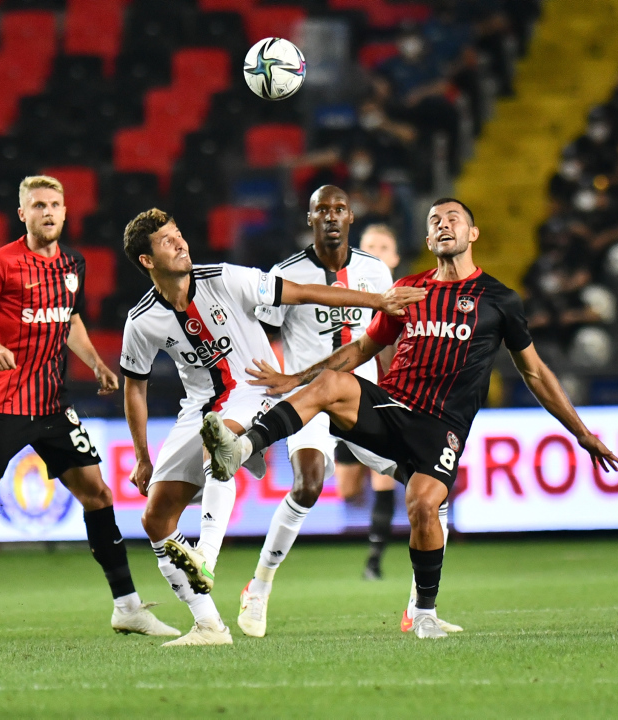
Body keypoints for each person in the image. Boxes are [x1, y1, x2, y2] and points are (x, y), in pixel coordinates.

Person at [202, 198, 618, 640]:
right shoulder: (409, 290)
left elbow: (534, 371)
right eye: (435, 221)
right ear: (427, 239)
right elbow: (362, 350)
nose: (444, 225)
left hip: (441, 426)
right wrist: (295, 378)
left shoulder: (499, 299)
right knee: (329, 383)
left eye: (453, 219)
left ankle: (422, 611)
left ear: (472, 234)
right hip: (391, 407)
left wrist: (582, 433)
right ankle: (243, 447)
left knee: (425, 505)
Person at [0, 175, 180, 645]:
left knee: (98, 495)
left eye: (55, 204)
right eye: (38, 204)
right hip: (5, 401)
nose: (48, 211)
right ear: (22, 213)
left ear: (65, 212)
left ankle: (127, 607)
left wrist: (98, 364)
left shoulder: (72, 263)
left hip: (52, 404)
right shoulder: (0, 263)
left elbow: (72, 318)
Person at [119, 207, 424, 647]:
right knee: (155, 517)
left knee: (218, 442)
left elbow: (300, 292)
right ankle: (208, 626)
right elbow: (135, 389)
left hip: (255, 388)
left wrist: (377, 301)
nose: (180, 242)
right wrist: (143, 456)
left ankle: (205, 554)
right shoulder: (142, 320)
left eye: (178, 233)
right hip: (198, 407)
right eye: (167, 241)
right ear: (147, 260)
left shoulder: (224, 278)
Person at [334, 224, 404, 581]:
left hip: (382, 399)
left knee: (382, 477)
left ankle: (374, 560)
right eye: (369, 245)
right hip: (343, 397)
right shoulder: (344, 294)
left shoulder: (404, 297)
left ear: (394, 257)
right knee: (347, 489)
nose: (376, 251)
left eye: (384, 245)